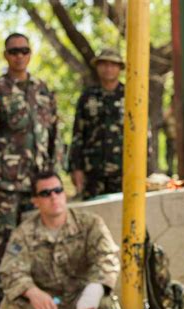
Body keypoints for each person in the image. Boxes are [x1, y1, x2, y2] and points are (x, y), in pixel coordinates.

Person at [0, 32, 61, 309]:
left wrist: (55, 175)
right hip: (5, 185)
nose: (19, 56)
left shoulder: (43, 90)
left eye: (24, 50)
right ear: (5, 55)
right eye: (13, 51)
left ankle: (27, 299)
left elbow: (55, 134)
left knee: (37, 241)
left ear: (30, 53)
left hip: (40, 186)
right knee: (0, 243)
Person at [0, 171, 121, 309]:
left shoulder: (90, 224)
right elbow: (10, 270)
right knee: (11, 306)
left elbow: (107, 258)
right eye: (45, 193)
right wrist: (32, 291)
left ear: (64, 194)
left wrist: (93, 291)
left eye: (58, 191)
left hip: (81, 298)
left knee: (105, 304)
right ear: (35, 201)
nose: (53, 197)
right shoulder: (23, 233)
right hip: (48, 303)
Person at [69, 49, 125, 200]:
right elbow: (78, 134)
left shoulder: (131, 95)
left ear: (120, 68)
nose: (108, 69)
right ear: (97, 67)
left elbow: (144, 133)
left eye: (113, 65)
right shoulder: (88, 97)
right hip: (93, 171)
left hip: (124, 170)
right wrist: (76, 168)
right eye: (104, 64)